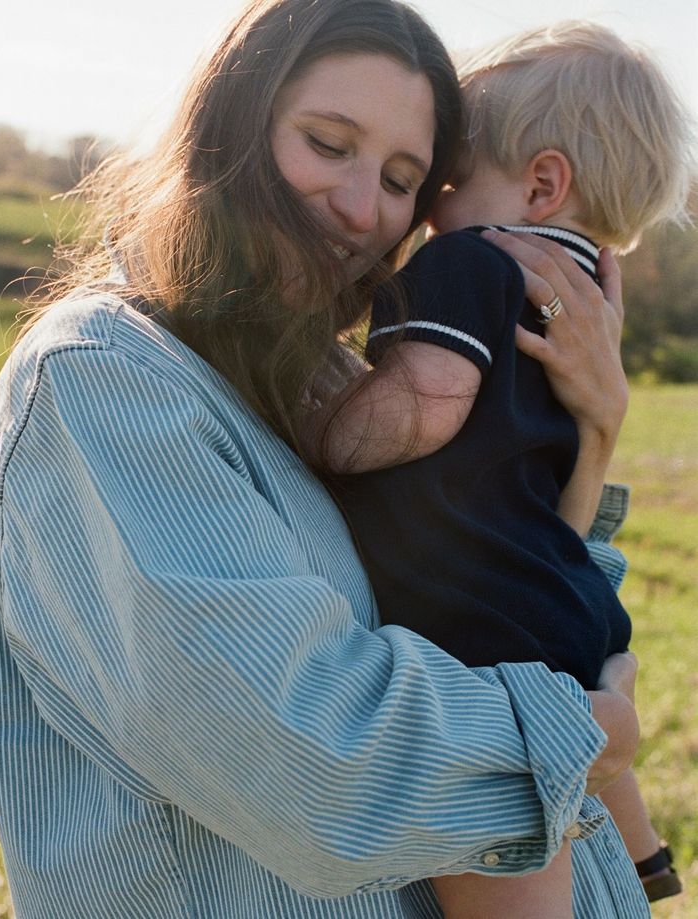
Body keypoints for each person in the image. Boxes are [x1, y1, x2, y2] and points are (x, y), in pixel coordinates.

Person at [0, 2, 647, 917]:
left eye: (404, 178)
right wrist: (575, 730)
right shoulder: (104, 379)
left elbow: (506, 579)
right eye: (328, 143)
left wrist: (594, 432)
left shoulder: (322, 375)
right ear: (228, 129)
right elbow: (320, 768)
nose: (365, 209)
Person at [316, 21, 693, 917]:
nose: (424, 210)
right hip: (555, 585)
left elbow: (430, 396)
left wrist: (318, 426)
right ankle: (644, 853)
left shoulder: (468, 262)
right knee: (581, 706)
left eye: (442, 181)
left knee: (500, 825)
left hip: (481, 615)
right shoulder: (588, 304)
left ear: (541, 181)